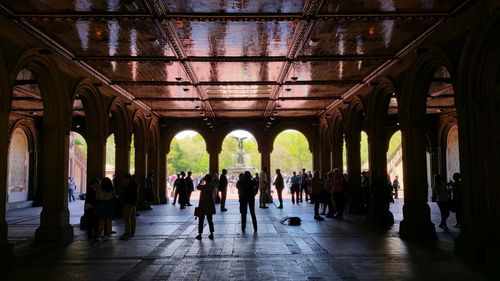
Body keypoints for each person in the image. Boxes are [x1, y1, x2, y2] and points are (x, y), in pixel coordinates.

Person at [196, 174, 216, 240]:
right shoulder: (211, 186)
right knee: (210, 220)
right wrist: (212, 179)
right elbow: (216, 184)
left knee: (201, 220)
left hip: (202, 205)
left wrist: (201, 181)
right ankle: (212, 234)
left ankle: (200, 234)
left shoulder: (203, 187)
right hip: (209, 205)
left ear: (205, 180)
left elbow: (197, 187)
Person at [120, 174, 138, 239]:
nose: (124, 180)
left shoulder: (129, 186)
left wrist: (125, 186)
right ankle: (132, 232)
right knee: (133, 218)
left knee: (127, 218)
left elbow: (127, 194)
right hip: (133, 204)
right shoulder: (134, 184)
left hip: (128, 203)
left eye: (125, 179)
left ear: (128, 179)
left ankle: (127, 232)